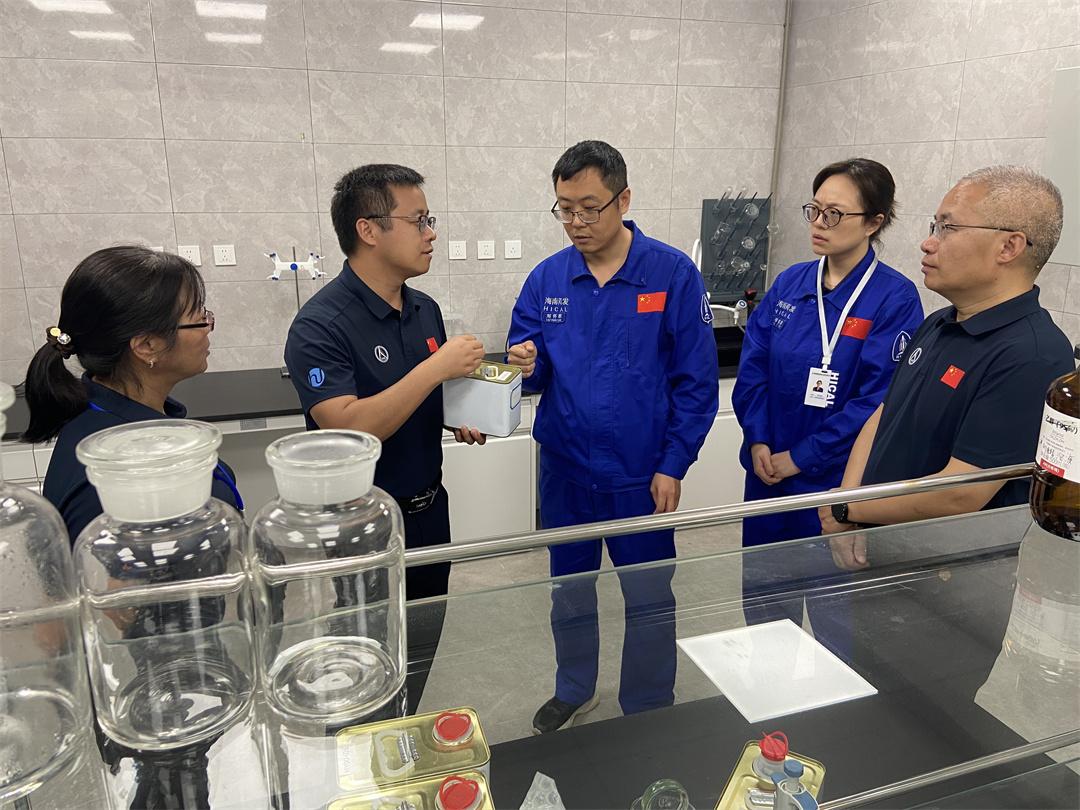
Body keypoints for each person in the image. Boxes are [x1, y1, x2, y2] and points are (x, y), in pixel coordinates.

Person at [819, 165, 1074, 703]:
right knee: (851, 704)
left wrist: (847, 510)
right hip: (882, 561)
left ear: (1009, 246)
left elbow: (962, 492)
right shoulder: (941, 323)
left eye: (948, 227)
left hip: (946, 594)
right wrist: (846, 500)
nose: (928, 242)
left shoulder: (1031, 354)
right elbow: (882, 414)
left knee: (915, 721)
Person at [506, 140, 719, 733]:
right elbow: (533, 373)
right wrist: (526, 365)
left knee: (648, 596)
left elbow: (696, 383)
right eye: (564, 209)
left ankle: (646, 709)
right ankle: (574, 689)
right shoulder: (548, 279)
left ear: (623, 200)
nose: (576, 222)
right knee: (570, 591)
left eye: (589, 208)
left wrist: (673, 463)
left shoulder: (671, 274)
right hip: (567, 472)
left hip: (640, 474)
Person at [283, 164, 486, 716]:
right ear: (368, 229)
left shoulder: (425, 310)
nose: (431, 233)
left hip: (429, 512)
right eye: (419, 221)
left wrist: (460, 413)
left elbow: (416, 401)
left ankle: (402, 735)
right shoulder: (320, 325)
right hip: (363, 529)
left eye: (430, 220)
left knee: (419, 650)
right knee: (368, 663)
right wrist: (436, 368)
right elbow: (350, 426)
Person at [731, 159, 923, 650]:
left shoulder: (894, 299)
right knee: (765, 613)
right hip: (768, 477)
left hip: (833, 484)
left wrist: (802, 457)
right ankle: (769, 694)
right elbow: (753, 369)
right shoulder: (790, 284)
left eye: (834, 214)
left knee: (836, 622)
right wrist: (759, 440)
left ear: (874, 222)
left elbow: (877, 401)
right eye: (814, 210)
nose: (819, 223)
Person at [24, 245, 241, 540]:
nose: (208, 327)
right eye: (199, 316)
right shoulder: (117, 474)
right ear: (147, 346)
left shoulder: (118, 419)